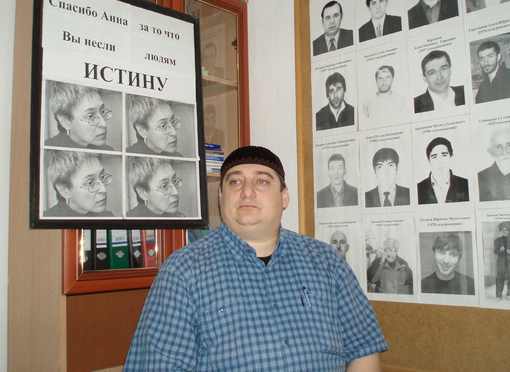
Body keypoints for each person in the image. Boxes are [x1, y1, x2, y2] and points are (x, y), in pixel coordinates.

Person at [124, 146, 388, 371]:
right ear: (221, 196)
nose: (247, 192)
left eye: (262, 181)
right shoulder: (183, 271)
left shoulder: (326, 262)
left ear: (284, 197)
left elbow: (363, 349)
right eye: (235, 182)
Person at [44, 80, 114, 150]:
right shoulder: (46, 151)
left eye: (102, 111)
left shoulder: (108, 151)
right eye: (90, 116)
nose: (104, 124)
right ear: (65, 121)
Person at [43, 150, 114, 217]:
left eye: (102, 176)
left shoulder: (107, 216)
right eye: (90, 183)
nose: (104, 189)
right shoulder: (48, 218)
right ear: (64, 190)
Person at [417, 137, 469, 205]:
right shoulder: (419, 188)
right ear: (428, 161)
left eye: (444, 155)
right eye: (434, 157)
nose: (440, 162)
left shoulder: (465, 185)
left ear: (451, 157)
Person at [493, 222, 510, 301]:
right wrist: (500, 250)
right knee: (499, 278)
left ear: (508, 231)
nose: (504, 231)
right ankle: (498, 295)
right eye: (503, 230)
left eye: (506, 230)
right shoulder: (497, 240)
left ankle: (509, 294)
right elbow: (495, 251)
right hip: (501, 263)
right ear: (500, 231)